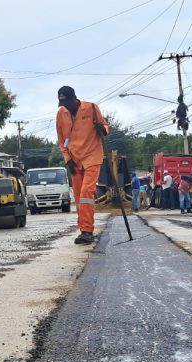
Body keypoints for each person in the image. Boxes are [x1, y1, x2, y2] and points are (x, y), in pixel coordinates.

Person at [55, 85, 110, 244]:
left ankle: (87, 231)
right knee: (79, 198)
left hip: (92, 156)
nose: (64, 107)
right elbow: (61, 139)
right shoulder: (61, 114)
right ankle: (84, 229)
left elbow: (105, 126)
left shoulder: (91, 108)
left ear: (74, 98)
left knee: (87, 193)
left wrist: (103, 129)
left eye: (67, 103)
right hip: (74, 160)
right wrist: (67, 159)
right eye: (62, 104)